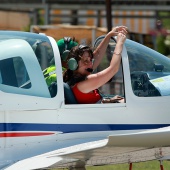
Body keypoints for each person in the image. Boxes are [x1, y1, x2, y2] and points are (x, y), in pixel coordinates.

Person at [63, 26, 128, 104]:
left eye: (90, 60)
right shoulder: (84, 84)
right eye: (86, 61)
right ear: (74, 65)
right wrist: (120, 43)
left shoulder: (75, 79)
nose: (90, 63)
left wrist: (109, 36)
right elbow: (113, 69)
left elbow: (97, 55)